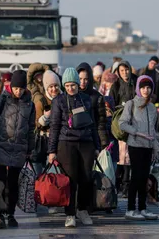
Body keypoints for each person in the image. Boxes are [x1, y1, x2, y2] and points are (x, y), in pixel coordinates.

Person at [48, 67, 99, 227]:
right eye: (68, 85)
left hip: (86, 142)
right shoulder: (59, 101)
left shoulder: (86, 99)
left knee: (86, 177)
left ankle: (82, 209)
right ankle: (69, 213)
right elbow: (54, 126)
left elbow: (93, 124)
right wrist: (52, 150)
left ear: (78, 84)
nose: (71, 88)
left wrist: (97, 146)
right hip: (66, 143)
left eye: (73, 85)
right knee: (70, 180)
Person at [0, 70, 35, 229]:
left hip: (19, 148)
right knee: (0, 182)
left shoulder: (29, 104)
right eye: (16, 88)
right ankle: (0, 214)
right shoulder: (1, 100)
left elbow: (31, 128)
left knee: (13, 183)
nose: (18, 92)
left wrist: (30, 149)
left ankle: (11, 213)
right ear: (11, 87)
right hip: (0, 146)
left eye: (21, 89)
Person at [119, 75, 158, 220]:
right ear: (138, 88)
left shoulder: (152, 107)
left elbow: (153, 130)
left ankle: (142, 208)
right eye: (143, 87)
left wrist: (155, 148)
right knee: (135, 177)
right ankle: (130, 209)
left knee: (144, 177)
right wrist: (137, 133)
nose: (146, 90)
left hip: (148, 147)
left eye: (148, 87)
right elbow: (122, 123)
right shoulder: (131, 104)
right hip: (135, 145)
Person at [110, 60, 138, 197]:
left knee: (130, 156)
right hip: (120, 123)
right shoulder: (115, 86)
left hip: (135, 122)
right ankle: (119, 184)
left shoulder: (136, 83)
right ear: (118, 72)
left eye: (126, 70)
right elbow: (110, 102)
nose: (125, 73)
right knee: (122, 155)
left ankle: (127, 185)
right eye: (122, 71)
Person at [32, 70, 62, 175]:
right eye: (51, 87)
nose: (54, 89)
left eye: (56, 86)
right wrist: (44, 118)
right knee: (39, 175)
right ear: (46, 88)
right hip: (43, 141)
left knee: (56, 174)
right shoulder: (41, 102)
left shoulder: (63, 99)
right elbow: (34, 124)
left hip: (59, 140)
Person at [77, 63, 109, 150]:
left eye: (86, 79)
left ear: (90, 79)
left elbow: (101, 123)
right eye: (80, 79)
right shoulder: (71, 96)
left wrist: (104, 144)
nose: (82, 82)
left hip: (91, 139)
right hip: (74, 140)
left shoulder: (97, 97)